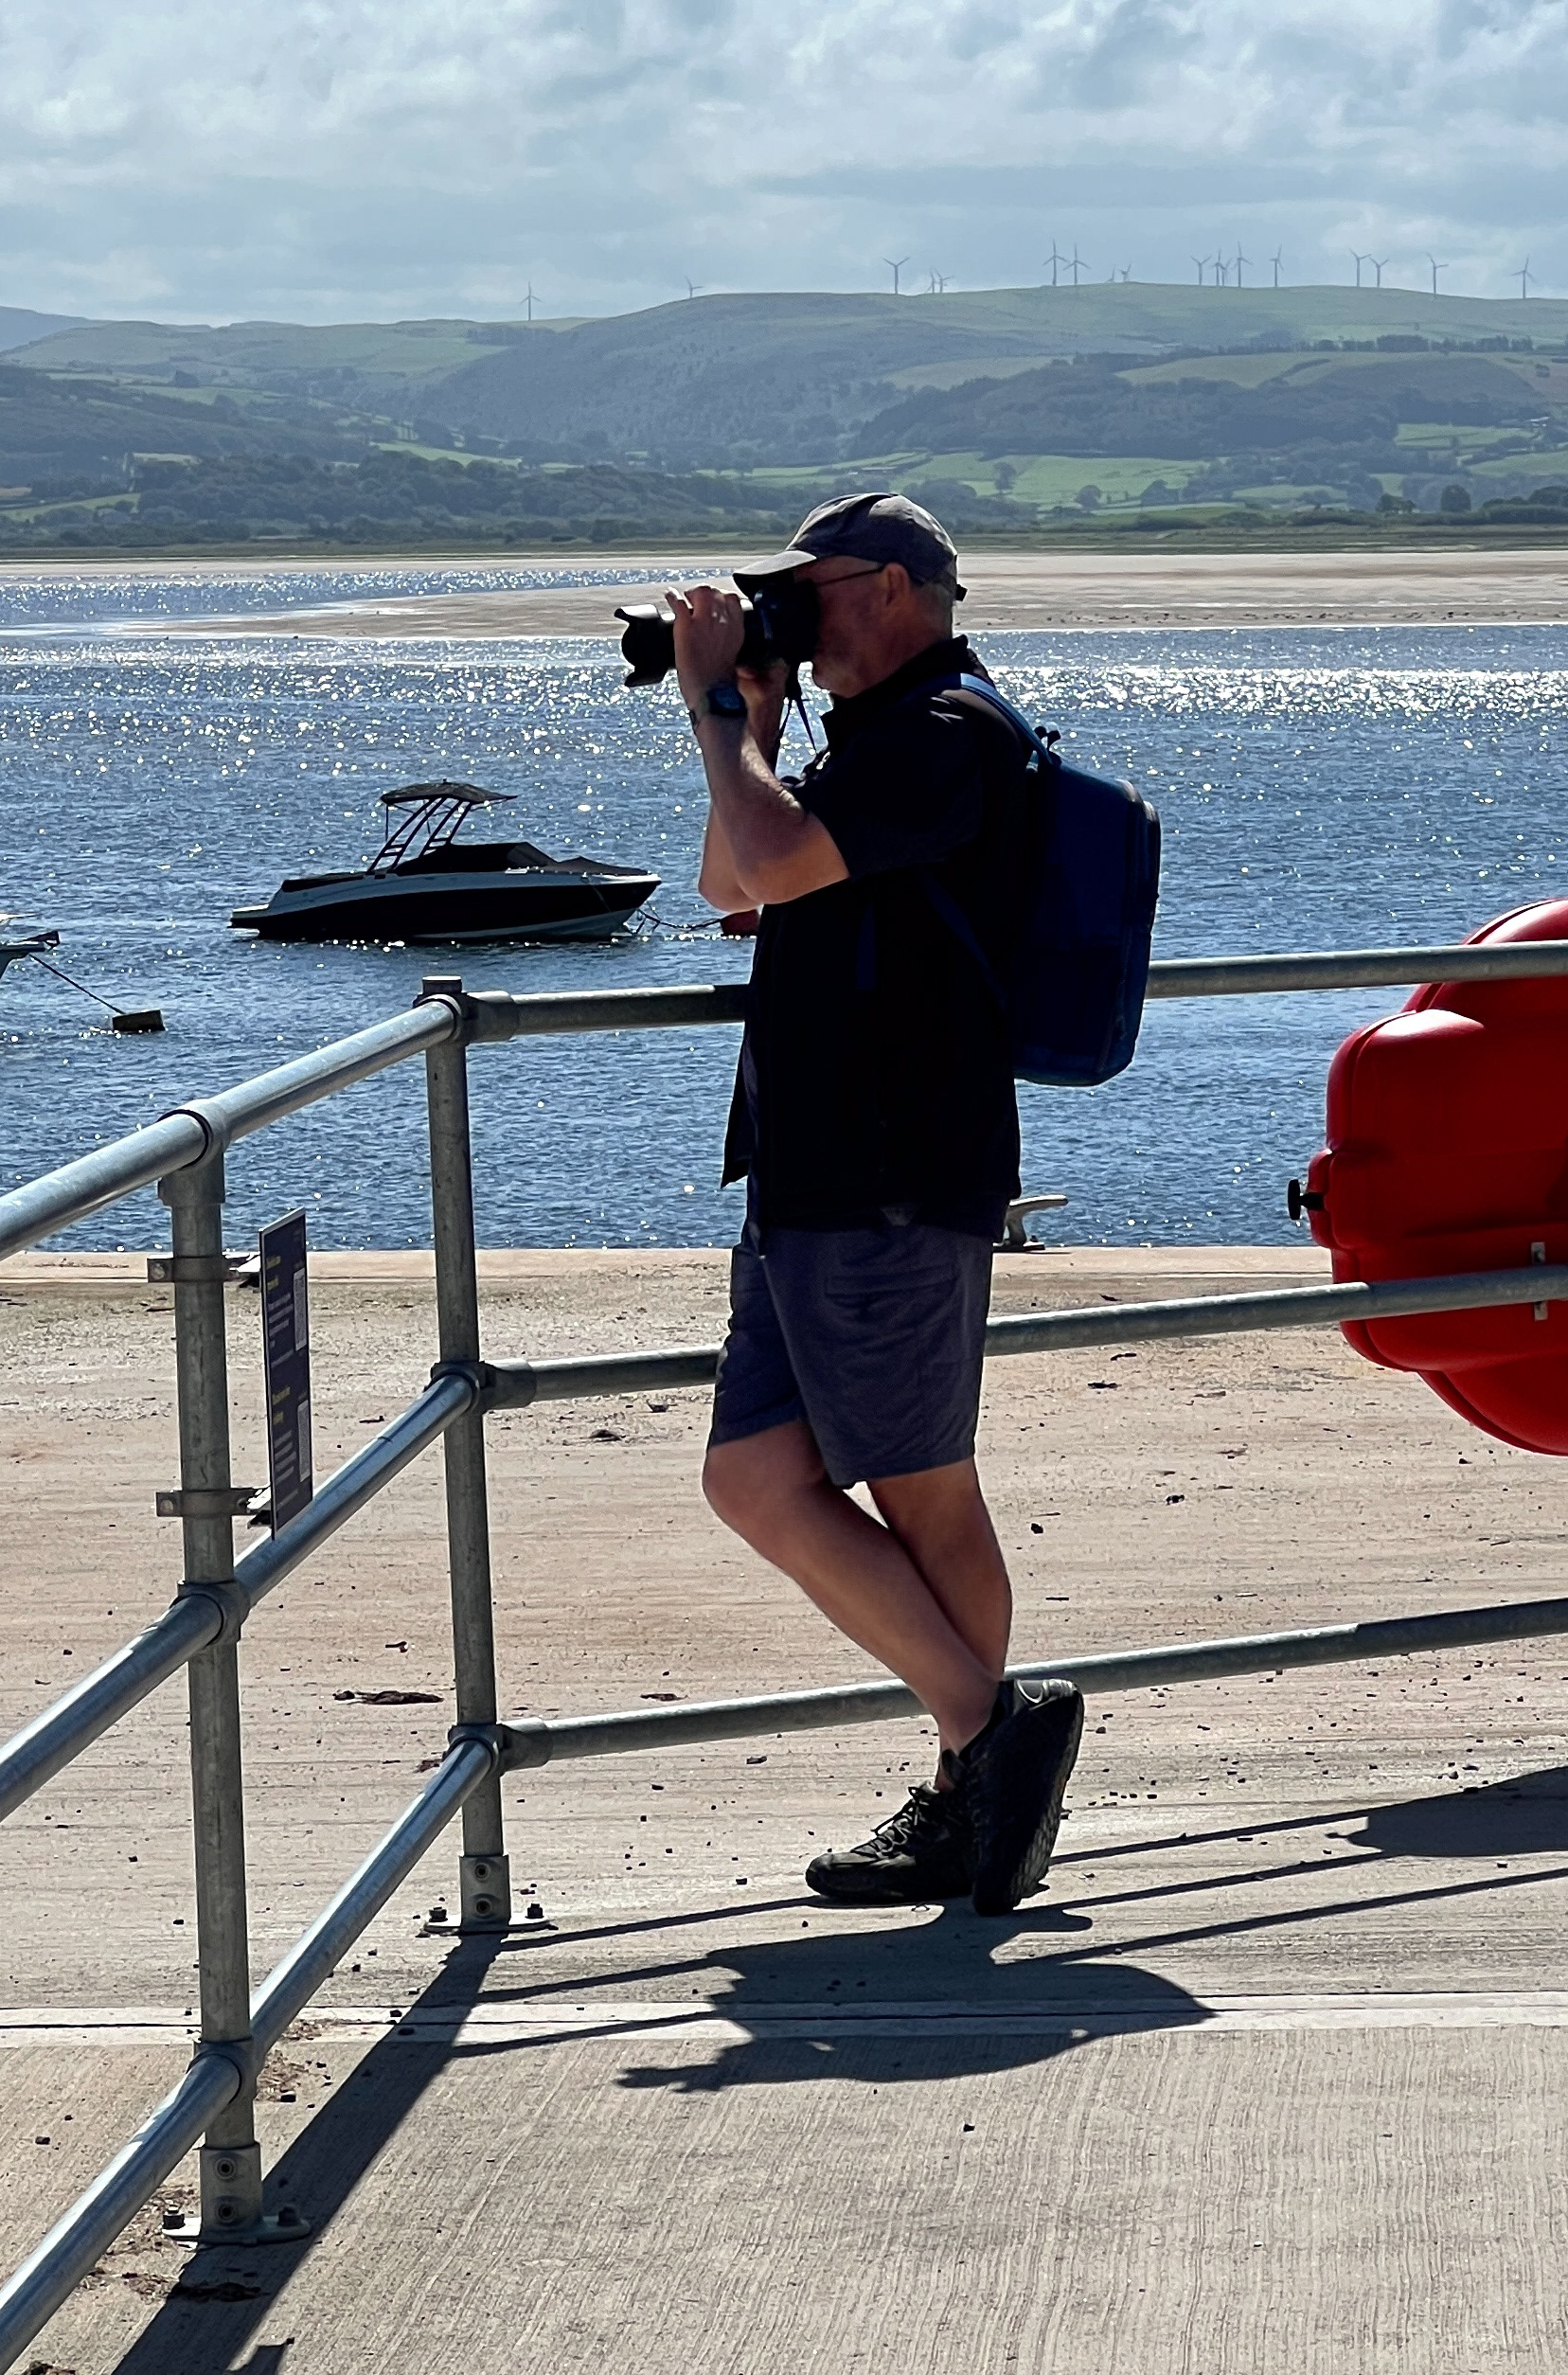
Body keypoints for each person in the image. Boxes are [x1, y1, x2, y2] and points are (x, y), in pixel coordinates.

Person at [669, 491, 1084, 1918]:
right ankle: (987, 1745)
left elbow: (771, 864)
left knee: (923, 1489)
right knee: (755, 1478)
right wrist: (743, 722)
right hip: (822, 1167)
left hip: (892, 1172)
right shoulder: (873, 743)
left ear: (896, 587)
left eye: (813, 588)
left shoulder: (944, 736)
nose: (794, 610)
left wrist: (724, 710)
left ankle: (979, 1764)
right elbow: (737, 877)